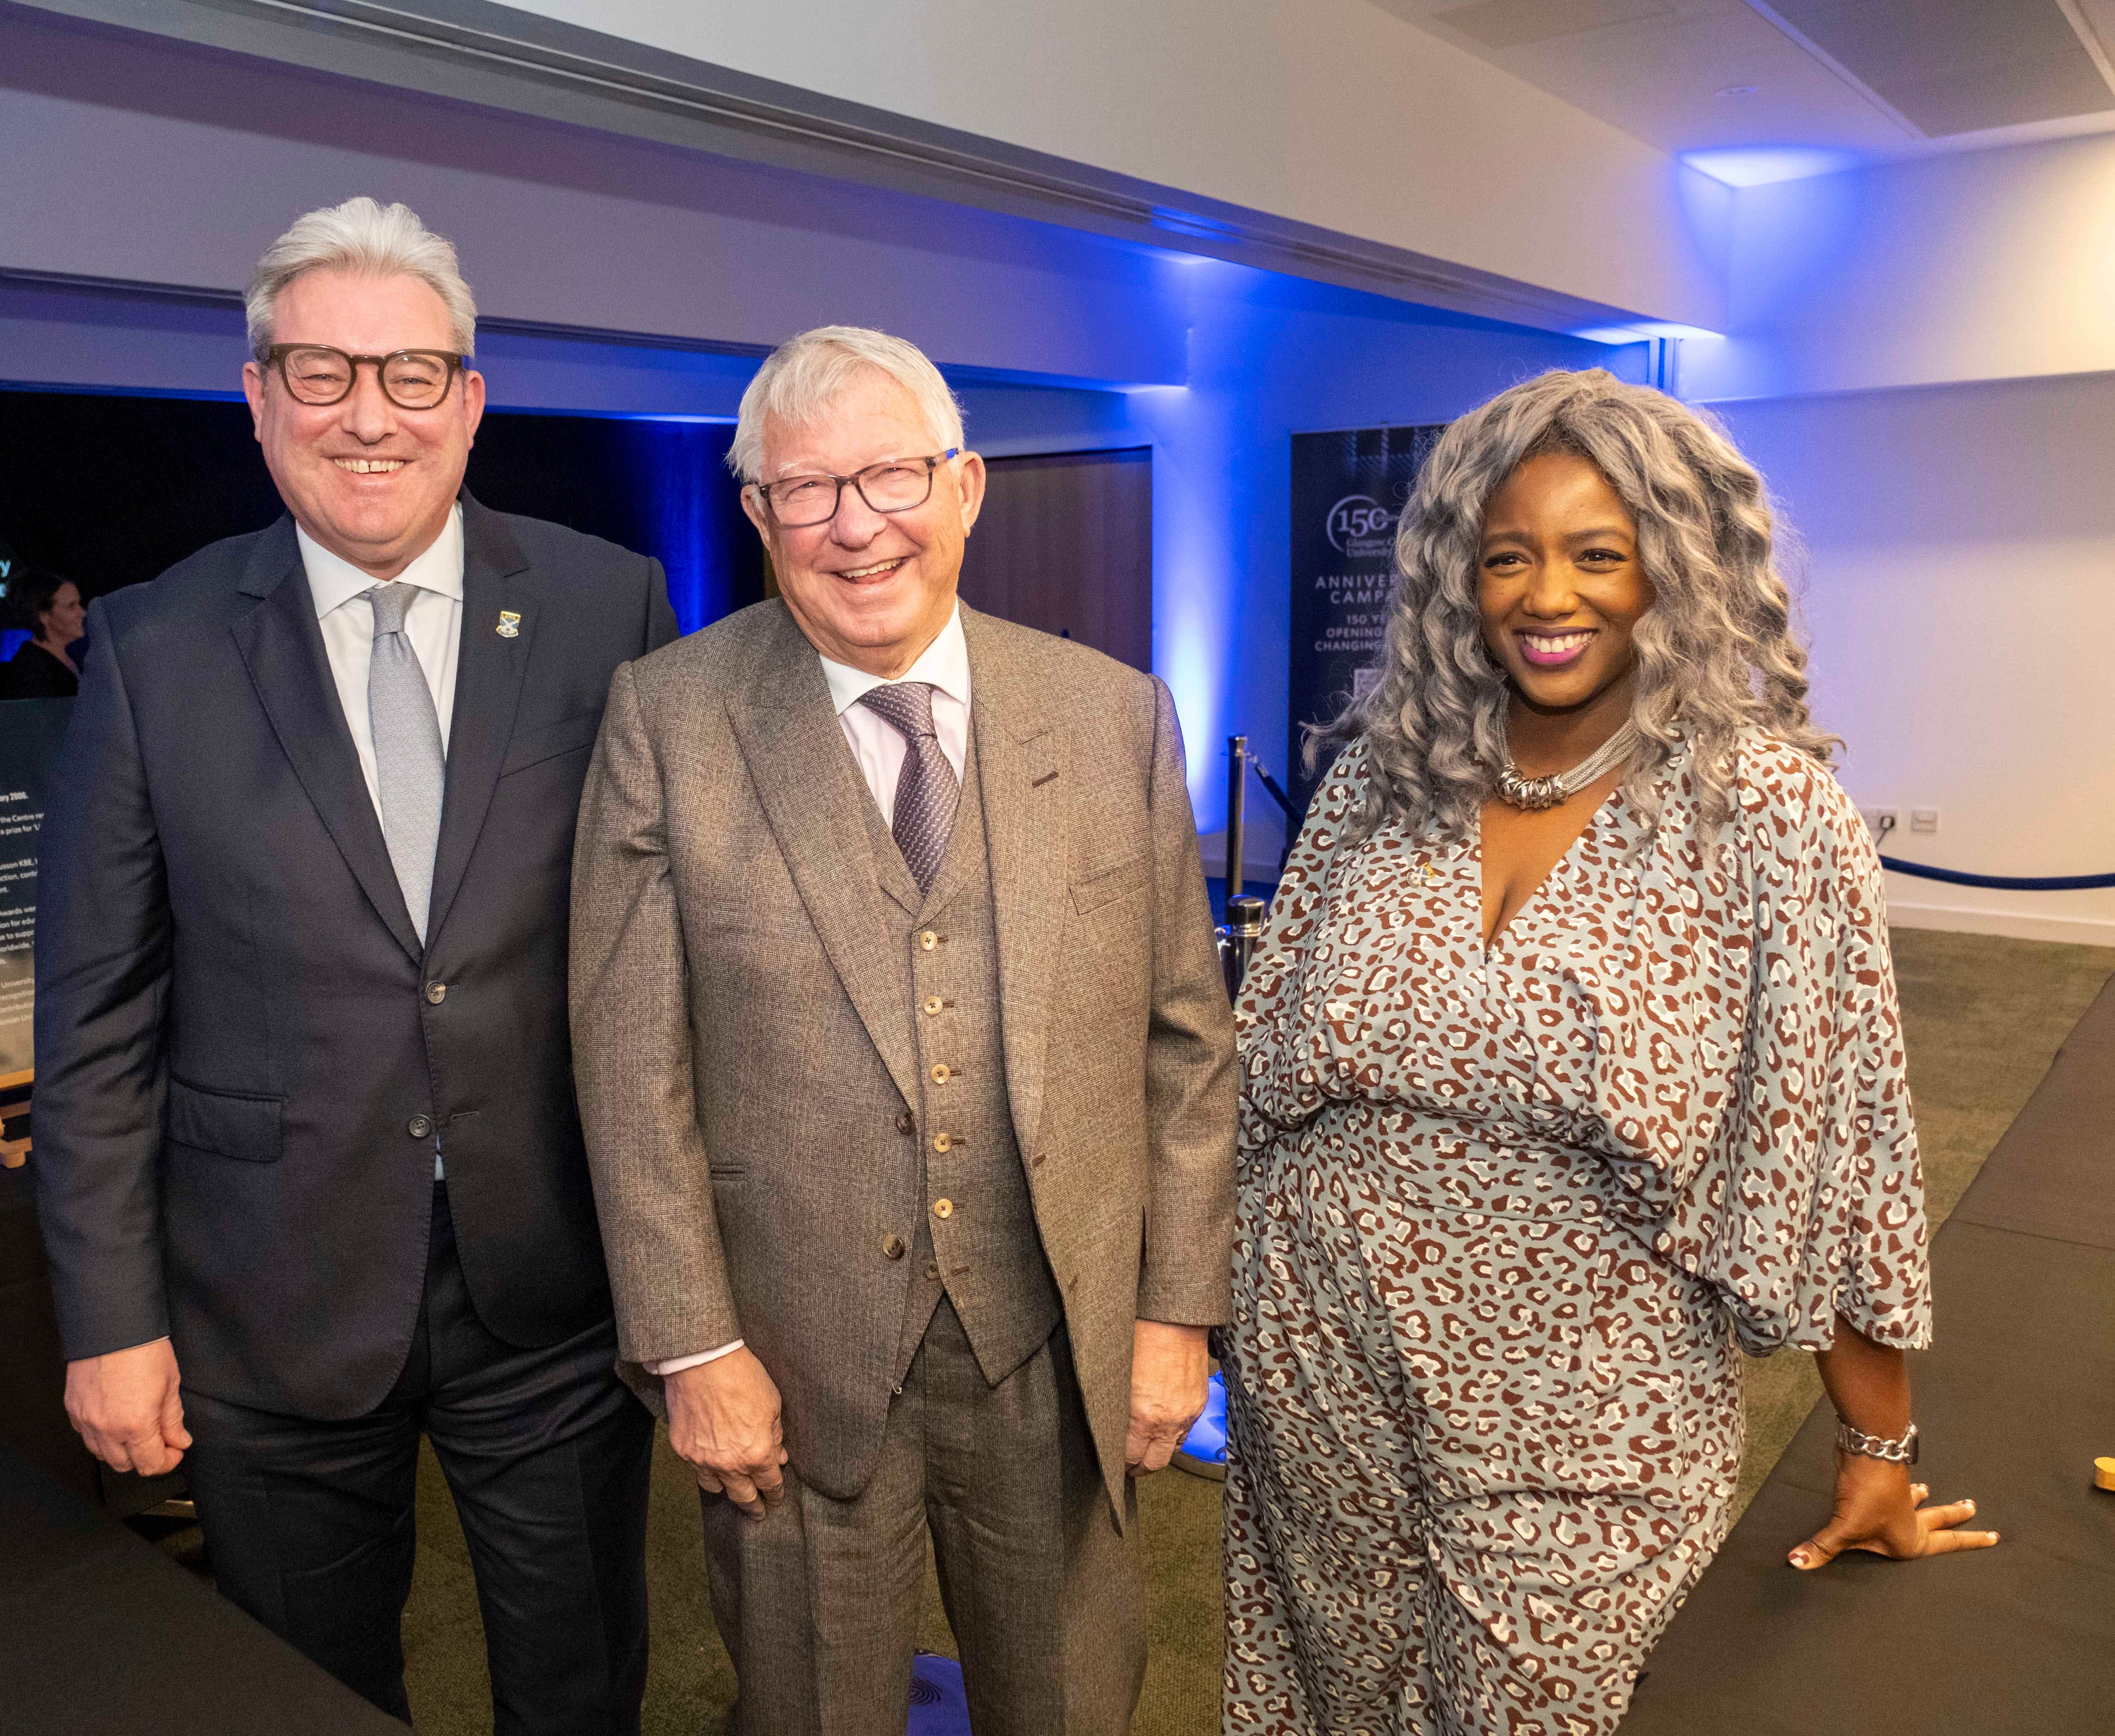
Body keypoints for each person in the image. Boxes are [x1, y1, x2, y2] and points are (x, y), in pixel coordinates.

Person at [1220, 367, 1996, 1736]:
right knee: (1339, 1703)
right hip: (1321, 1371)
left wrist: (1878, 1445)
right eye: (1507, 556)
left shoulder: (1768, 815)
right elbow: (1259, 1077)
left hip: (1590, 1404)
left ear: (1675, 569)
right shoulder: (1375, 785)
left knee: (1535, 1701)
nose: (1545, 594)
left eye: (1598, 553)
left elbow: (1852, 1144)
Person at [31, 196, 676, 1733]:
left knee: (582, 1685)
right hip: (269, 1296)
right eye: (321, 373)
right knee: (305, 1693)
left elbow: (670, 953)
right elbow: (97, 1017)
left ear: (469, 398)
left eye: (411, 374)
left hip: (555, 1290)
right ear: (258, 399)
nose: (367, 415)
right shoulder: (152, 648)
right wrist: (110, 1321)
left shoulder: (608, 609)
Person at [571, 325, 1237, 1735]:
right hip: (792, 1360)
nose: (854, 525)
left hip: (1053, 1346)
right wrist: (693, 1350)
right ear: (756, 513)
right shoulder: (669, 720)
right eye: (805, 490)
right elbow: (633, 1071)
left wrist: (1176, 1314)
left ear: (967, 485)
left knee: (1071, 1703)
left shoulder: (1115, 716)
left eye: (890, 476)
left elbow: (1187, 1045)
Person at [0, 571, 83, 698]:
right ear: (44, 616)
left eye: (79, 604)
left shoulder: (81, 658)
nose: (82, 613)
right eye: (71, 607)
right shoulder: (31, 671)